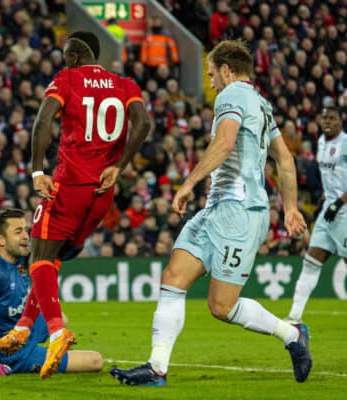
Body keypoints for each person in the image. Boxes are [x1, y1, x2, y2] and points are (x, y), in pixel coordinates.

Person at [110, 40, 311, 387]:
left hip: (240, 212)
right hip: (217, 207)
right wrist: (290, 207)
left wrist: (189, 183)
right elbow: (285, 158)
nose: (212, 81)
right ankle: (157, 367)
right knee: (174, 277)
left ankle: (291, 333)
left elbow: (225, 142)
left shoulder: (231, 96)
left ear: (227, 70)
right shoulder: (262, 104)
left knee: (221, 306)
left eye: (212, 73)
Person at [0, 30, 151, 379]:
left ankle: (55, 331)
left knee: (38, 257)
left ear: (78, 56)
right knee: (53, 260)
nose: (64, 61)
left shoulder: (67, 78)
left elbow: (43, 120)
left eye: (67, 56)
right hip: (102, 193)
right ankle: (23, 326)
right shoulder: (125, 84)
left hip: (68, 186)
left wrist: (37, 170)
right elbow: (143, 123)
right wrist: (120, 166)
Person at [0, 208, 103, 376]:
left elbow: (60, 252)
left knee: (61, 318)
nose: (26, 236)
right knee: (95, 361)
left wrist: (79, 229)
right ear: (1, 240)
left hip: (23, 328)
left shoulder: (19, 255)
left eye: (25, 230)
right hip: (15, 354)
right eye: (18, 232)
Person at [287, 107, 347, 321]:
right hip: (328, 211)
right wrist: (327, 199)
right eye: (325, 118)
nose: (328, 122)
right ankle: (294, 316)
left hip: (344, 212)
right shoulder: (321, 142)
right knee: (311, 260)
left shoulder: (345, 142)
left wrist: (339, 202)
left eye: (333, 118)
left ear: (341, 121)